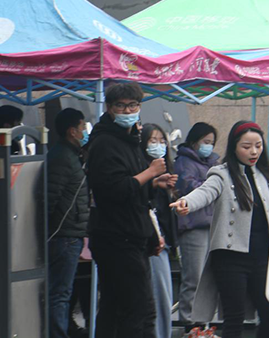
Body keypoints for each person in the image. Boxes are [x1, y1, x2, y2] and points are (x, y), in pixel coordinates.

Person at [171, 121, 269, 338]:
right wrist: (186, 203)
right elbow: (205, 192)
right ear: (234, 147)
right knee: (234, 317)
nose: (254, 151)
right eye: (246, 146)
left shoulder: (264, 175)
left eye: (258, 145)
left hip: (263, 257)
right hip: (231, 257)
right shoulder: (221, 174)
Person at [87, 83, 176, 338]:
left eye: (132, 105)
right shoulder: (105, 142)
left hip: (133, 235)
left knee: (116, 307)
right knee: (138, 310)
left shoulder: (130, 139)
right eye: (121, 106)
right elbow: (113, 190)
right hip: (116, 238)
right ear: (109, 108)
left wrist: (154, 182)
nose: (127, 111)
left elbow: (135, 190)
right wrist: (150, 172)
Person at [47, 108, 90, 338]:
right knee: (60, 293)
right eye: (83, 127)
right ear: (72, 131)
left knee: (64, 291)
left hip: (71, 233)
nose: (85, 132)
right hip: (63, 235)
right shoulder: (62, 158)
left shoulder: (73, 156)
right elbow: (49, 197)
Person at [173, 122, 219, 330]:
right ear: (194, 141)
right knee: (194, 276)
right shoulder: (184, 162)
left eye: (211, 142)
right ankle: (189, 321)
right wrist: (213, 187)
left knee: (206, 278)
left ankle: (202, 321)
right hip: (193, 225)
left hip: (210, 225)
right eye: (205, 141)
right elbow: (190, 187)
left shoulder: (213, 163)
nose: (208, 146)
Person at [140, 124, 179, 338]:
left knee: (163, 297)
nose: (159, 146)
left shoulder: (167, 171)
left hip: (164, 244)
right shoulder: (143, 172)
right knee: (157, 297)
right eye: (153, 141)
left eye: (162, 141)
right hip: (152, 243)